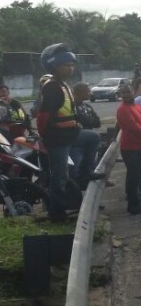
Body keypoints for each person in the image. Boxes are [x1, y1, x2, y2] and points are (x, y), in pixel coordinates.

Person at [35, 44, 100, 222]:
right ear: (55, 66)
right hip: (58, 139)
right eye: (66, 65)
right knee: (60, 176)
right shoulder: (52, 87)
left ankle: (86, 172)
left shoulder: (63, 85)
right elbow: (43, 116)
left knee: (93, 138)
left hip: (71, 134)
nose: (70, 68)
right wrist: (44, 137)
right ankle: (57, 212)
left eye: (72, 65)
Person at [116, 82, 141, 215]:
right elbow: (132, 126)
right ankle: (133, 204)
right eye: (124, 93)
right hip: (131, 147)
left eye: (129, 91)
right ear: (120, 95)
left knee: (137, 175)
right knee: (134, 175)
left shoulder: (137, 106)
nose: (127, 94)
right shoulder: (123, 109)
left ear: (133, 91)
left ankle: (136, 200)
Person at [70, 82, 103, 190]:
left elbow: (97, 123)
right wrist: (87, 120)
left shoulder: (87, 106)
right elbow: (83, 120)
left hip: (88, 141)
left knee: (90, 165)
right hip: (76, 142)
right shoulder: (72, 106)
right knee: (75, 170)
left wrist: (86, 120)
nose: (90, 93)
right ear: (79, 92)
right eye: (87, 91)